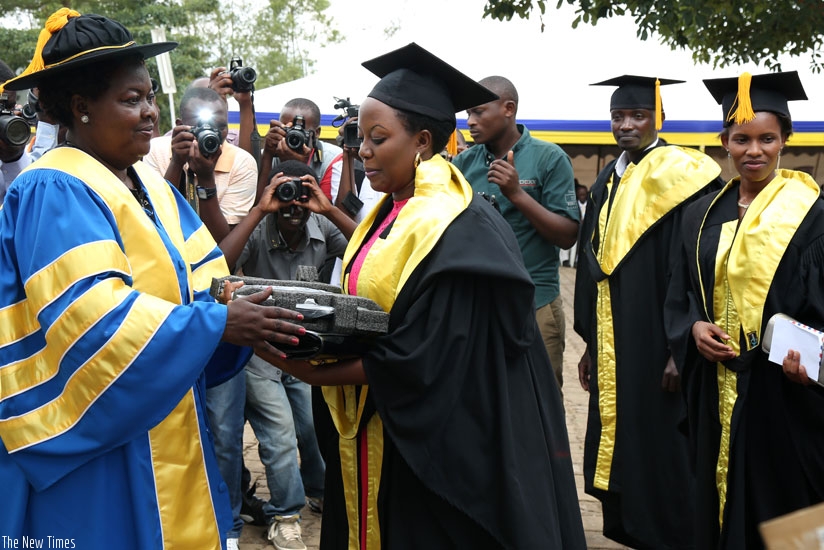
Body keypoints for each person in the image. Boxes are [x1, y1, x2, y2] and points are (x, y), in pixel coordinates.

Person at [256, 42, 586, 549]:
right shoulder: (396, 207)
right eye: (361, 137)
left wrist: (306, 372)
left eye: (378, 138)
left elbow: (428, 354)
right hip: (384, 419)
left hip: (441, 439)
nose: (362, 150)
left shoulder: (456, 223)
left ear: (423, 142)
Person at [0, 10, 304, 550]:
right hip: (97, 443)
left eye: (149, 97)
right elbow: (91, 323)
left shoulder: (149, 185)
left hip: (165, 414)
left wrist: (252, 307)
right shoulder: (53, 187)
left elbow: (207, 276)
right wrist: (217, 322)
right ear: (80, 108)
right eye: (131, 99)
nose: (149, 113)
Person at [665, 71, 824, 550]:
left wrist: (812, 361)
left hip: (781, 389)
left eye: (766, 139)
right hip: (715, 385)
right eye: (742, 139)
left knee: (787, 498)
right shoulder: (700, 214)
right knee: (714, 494)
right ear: (724, 142)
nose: (754, 151)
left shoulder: (811, 213)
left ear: (785, 141)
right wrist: (691, 327)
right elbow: (681, 290)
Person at [572, 74, 724, 549]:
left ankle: (674, 536)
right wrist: (593, 346)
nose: (626, 125)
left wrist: (680, 347)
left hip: (660, 338)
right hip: (614, 338)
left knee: (663, 443)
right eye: (618, 116)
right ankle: (634, 528)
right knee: (625, 438)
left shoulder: (688, 175)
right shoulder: (607, 180)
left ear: (660, 118)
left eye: (637, 115)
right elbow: (589, 264)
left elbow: (696, 265)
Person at [219, 159, 354, 550]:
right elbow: (222, 262)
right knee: (278, 434)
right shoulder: (259, 228)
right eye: (286, 194)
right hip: (260, 350)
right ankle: (286, 515)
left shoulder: (321, 226)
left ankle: (318, 489)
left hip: (302, 344)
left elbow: (371, 246)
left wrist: (327, 208)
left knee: (312, 428)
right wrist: (261, 208)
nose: (294, 205)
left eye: (302, 194)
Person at [453, 75, 579, 396]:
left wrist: (517, 194)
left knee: (540, 404)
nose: (470, 121)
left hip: (534, 304)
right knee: (486, 404)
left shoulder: (549, 158)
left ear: (508, 108)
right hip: (479, 307)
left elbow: (567, 236)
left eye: (480, 112)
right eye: (468, 113)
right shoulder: (464, 163)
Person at [144, 85, 257, 244]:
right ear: (180, 126)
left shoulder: (243, 163)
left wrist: (206, 179)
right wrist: (177, 162)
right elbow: (156, 220)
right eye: (201, 127)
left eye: (221, 127)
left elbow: (221, 242)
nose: (212, 134)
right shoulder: (155, 150)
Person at [258, 98, 342, 206]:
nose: (293, 136)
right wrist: (268, 154)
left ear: (317, 133)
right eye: (288, 130)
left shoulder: (333, 159)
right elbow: (259, 206)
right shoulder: (265, 154)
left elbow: (325, 213)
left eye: (301, 131)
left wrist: (298, 167)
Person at [0, 60, 32, 205]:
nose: (3, 116)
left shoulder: (15, 153)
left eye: (8, 108)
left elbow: (27, 208)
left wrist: (14, 159)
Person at [560, 180, 588, 267]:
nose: (582, 197)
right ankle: (565, 260)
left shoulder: (590, 204)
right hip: (575, 228)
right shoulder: (573, 205)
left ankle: (576, 261)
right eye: (580, 195)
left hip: (585, 229)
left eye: (584, 195)